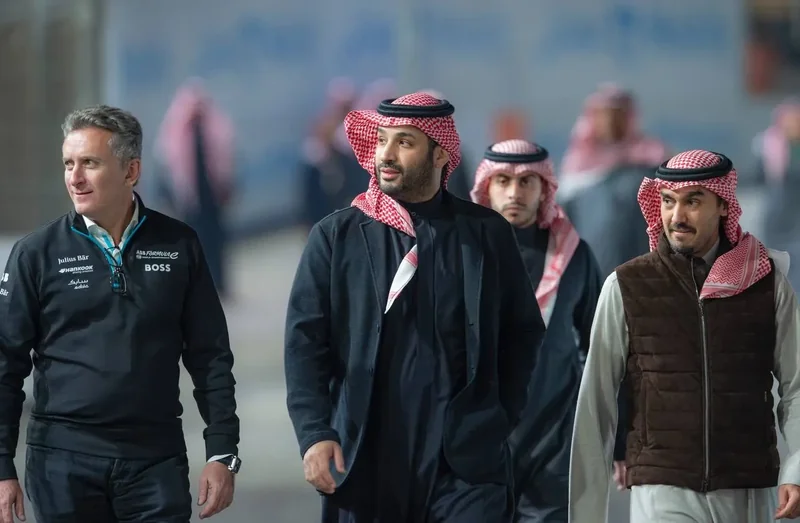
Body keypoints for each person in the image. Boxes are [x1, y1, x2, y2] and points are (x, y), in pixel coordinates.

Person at [284, 92, 546, 522]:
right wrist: (314, 433)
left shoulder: (485, 233)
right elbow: (305, 345)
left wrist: (499, 417)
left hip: (464, 466)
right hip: (367, 459)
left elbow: (523, 332)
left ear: (440, 153)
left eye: (404, 142)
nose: (385, 154)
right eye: (381, 140)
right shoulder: (336, 237)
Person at [0, 105, 241, 523]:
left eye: (89, 163)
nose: (75, 178)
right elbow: (5, 365)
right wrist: (2, 465)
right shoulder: (35, 254)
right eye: (68, 164)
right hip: (62, 465)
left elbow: (211, 355)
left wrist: (222, 450)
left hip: (156, 461)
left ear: (131, 171)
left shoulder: (178, 244)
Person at [568, 149, 800, 522]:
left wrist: (797, 468)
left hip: (747, 487)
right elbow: (596, 404)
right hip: (662, 487)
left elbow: (796, 385)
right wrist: (587, 515)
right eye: (668, 201)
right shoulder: (627, 286)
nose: (677, 216)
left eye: (692, 202)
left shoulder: (765, 284)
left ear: (723, 205)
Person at [470, 139, 606, 522]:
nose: (514, 193)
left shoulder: (574, 255)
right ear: (486, 187)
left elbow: (602, 347)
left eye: (527, 181)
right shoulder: (462, 251)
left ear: (544, 188)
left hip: (553, 437)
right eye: (503, 181)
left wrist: (616, 435)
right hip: (477, 437)